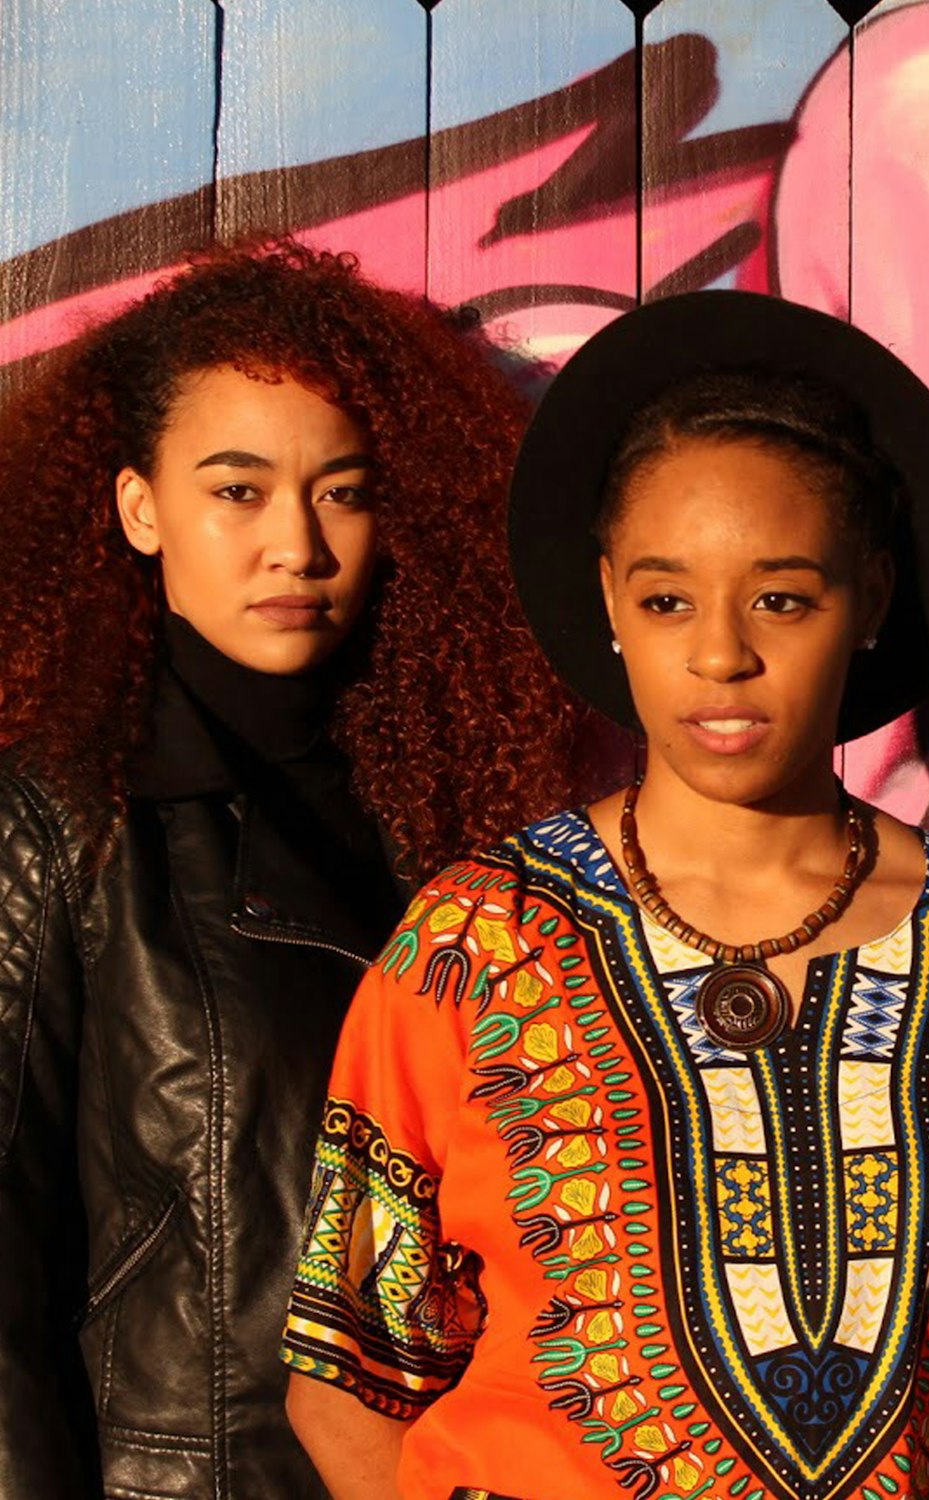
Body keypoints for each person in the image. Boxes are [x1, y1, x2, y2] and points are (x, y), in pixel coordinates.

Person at [282, 290, 929, 1500]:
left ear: (869, 598)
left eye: (780, 597)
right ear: (611, 599)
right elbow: (346, 1371)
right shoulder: (475, 944)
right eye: (668, 599)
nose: (720, 654)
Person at [0, 240, 579, 1500]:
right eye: (238, 490)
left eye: (342, 490)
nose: (298, 546)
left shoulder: (474, 818)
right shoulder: (60, 821)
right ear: (139, 507)